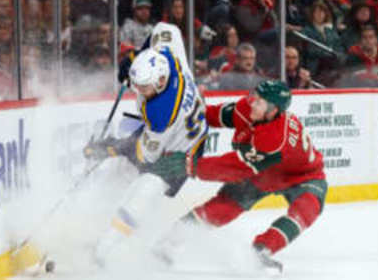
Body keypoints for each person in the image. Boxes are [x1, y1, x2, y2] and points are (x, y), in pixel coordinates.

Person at [151, 80, 327, 272]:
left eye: (259, 102)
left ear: (273, 110)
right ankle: (170, 241)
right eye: (255, 97)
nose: (252, 102)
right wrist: (189, 114)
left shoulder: (274, 140)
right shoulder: (248, 108)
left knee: (307, 209)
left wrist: (189, 165)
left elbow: (233, 167)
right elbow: (215, 116)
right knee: (223, 206)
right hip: (262, 174)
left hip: (304, 176)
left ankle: (261, 251)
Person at [83, 22, 208, 266]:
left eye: (143, 87)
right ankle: (100, 217)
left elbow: (144, 156)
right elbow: (165, 28)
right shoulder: (167, 54)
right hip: (177, 128)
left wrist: (111, 147)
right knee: (124, 177)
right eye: (136, 84)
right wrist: (136, 54)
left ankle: (104, 248)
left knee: (144, 190)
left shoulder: (161, 113)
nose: (137, 89)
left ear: (161, 82)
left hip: (182, 151)